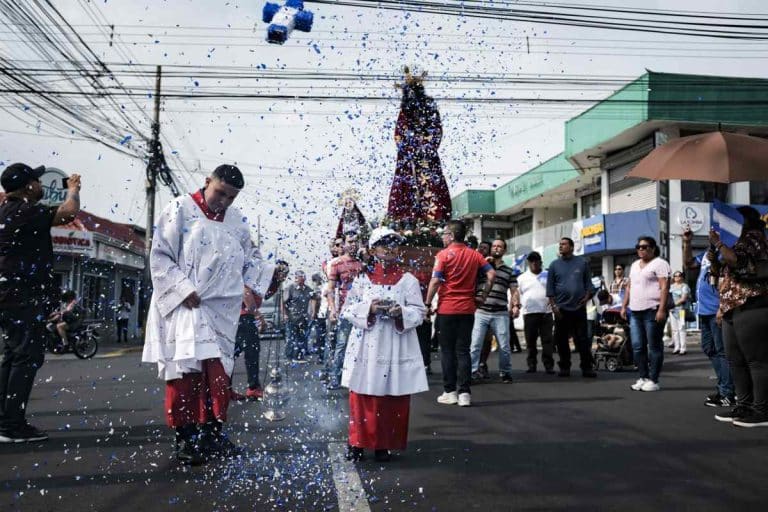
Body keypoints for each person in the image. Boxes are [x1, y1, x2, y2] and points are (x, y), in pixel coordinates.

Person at [141, 165, 278, 465]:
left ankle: (212, 434)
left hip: (222, 311)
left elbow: (251, 259)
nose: (225, 202)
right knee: (185, 376)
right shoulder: (180, 209)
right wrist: (180, 287)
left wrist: (269, 275)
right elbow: (160, 254)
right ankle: (185, 439)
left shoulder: (238, 222)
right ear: (207, 183)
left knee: (219, 378)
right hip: (187, 306)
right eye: (220, 193)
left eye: (232, 197)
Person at [0, 163, 81, 443]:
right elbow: (68, 213)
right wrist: (73, 190)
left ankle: (5, 420)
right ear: (27, 187)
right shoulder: (27, 211)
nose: (39, 185)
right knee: (26, 357)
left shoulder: (5, 211)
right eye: (35, 181)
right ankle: (12, 425)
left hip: (7, 295)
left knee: (13, 355)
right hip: (22, 296)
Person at [341, 227, 429, 462]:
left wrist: (401, 312)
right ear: (373, 249)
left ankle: (383, 444)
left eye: (394, 244)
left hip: (395, 344)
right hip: (366, 343)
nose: (390, 248)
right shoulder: (361, 279)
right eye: (384, 243)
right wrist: (369, 309)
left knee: (392, 394)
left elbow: (420, 312)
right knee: (361, 394)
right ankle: (357, 442)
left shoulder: (408, 280)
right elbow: (347, 309)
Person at [426, 220, 496, 407]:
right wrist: (483, 295)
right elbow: (491, 275)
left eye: (444, 234)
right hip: (467, 309)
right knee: (463, 350)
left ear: (451, 235)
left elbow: (435, 282)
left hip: (447, 309)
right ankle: (465, 392)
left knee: (447, 351)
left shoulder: (443, 255)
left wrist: (426, 303)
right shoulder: (475, 255)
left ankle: (450, 391)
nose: (442, 237)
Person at [710, 207, 768, 428]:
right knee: (736, 360)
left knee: (757, 361)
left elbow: (739, 262)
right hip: (731, 307)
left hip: (752, 303)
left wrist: (719, 243)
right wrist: (711, 246)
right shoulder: (734, 241)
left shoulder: (755, 239)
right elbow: (715, 269)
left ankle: (762, 409)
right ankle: (744, 404)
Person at [387, 66, 451, 223]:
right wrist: (411, 147)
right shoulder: (404, 111)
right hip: (408, 159)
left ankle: (434, 222)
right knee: (406, 187)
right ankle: (407, 222)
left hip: (427, 157)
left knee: (431, 187)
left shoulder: (430, 108)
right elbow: (399, 133)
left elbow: (436, 130)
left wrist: (424, 145)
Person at [682, 227, 734, 407]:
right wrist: (687, 242)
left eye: (715, 234)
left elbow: (726, 274)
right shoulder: (705, 255)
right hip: (704, 311)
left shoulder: (724, 254)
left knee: (722, 351)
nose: (711, 236)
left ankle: (728, 392)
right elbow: (688, 263)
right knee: (708, 348)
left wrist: (722, 307)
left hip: (716, 310)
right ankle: (723, 388)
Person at [621, 236, 671, 392]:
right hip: (635, 311)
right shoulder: (635, 265)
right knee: (637, 346)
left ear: (653, 248)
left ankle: (653, 380)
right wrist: (624, 306)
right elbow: (629, 287)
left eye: (644, 247)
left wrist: (662, 309)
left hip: (653, 309)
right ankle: (643, 377)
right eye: (638, 247)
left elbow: (664, 287)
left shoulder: (660, 263)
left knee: (654, 346)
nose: (640, 249)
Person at [546, 237, 597, 378]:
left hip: (579, 308)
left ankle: (587, 367)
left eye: (564, 244)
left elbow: (589, 285)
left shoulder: (582, 263)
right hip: (561, 309)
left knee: (582, 340)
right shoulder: (554, 265)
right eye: (560, 244)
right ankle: (565, 367)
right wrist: (554, 307)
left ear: (572, 247)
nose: (561, 246)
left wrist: (587, 297)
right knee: (561, 340)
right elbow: (550, 289)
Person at [469, 239, 517, 383]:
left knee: (504, 346)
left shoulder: (509, 270)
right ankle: (472, 372)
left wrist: (516, 305)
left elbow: (514, 289)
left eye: (500, 247)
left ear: (504, 251)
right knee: (475, 345)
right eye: (494, 246)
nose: (496, 248)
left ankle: (505, 372)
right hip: (481, 311)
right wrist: (483, 262)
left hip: (500, 313)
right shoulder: (481, 267)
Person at [327, 231, 364, 390]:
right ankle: (335, 377)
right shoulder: (336, 263)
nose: (353, 244)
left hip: (363, 311)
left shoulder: (364, 263)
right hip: (345, 311)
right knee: (342, 344)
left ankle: (358, 378)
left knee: (362, 346)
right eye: (350, 241)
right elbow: (330, 289)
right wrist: (333, 309)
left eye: (356, 241)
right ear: (345, 244)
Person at [514, 252, 555, 374]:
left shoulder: (548, 275)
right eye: (531, 261)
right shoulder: (521, 278)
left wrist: (554, 305)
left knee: (547, 341)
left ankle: (549, 366)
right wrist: (516, 306)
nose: (534, 263)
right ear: (528, 263)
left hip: (546, 313)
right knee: (530, 342)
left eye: (536, 260)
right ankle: (532, 365)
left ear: (540, 262)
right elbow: (516, 294)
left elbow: (554, 292)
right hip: (529, 313)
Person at [282, 270, 313, 362]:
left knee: (301, 338)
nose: (302, 279)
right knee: (290, 337)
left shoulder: (308, 289)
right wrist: (284, 314)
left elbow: (315, 298)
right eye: (300, 277)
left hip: (303, 318)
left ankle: (299, 356)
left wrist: (313, 313)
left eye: (303, 277)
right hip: (292, 317)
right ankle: (289, 357)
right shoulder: (290, 288)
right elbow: (283, 302)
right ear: (296, 278)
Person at [668, 271, 690, 355]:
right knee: (674, 330)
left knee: (681, 328)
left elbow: (683, 298)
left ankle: (683, 348)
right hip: (672, 310)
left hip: (681, 310)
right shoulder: (671, 286)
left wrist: (673, 304)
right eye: (675, 276)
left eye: (679, 275)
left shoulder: (685, 286)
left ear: (682, 277)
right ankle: (676, 347)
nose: (677, 277)